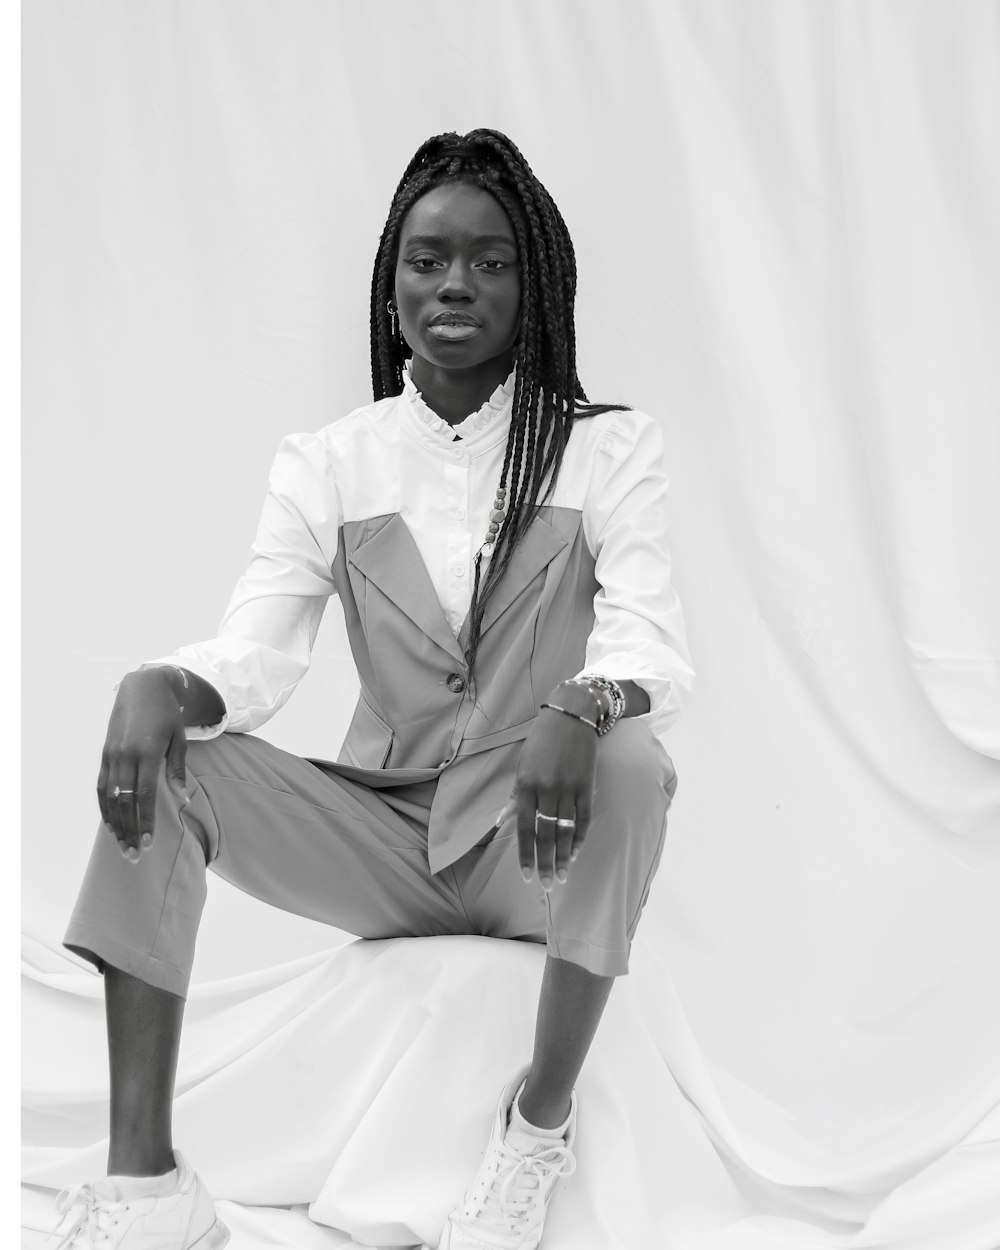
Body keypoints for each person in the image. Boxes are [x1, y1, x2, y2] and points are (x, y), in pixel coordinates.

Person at [54, 129, 695, 1250]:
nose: (456, 283)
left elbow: (652, 645)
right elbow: (259, 650)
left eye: (492, 261)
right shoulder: (330, 460)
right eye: (428, 256)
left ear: (535, 280)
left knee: (635, 757)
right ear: (390, 274)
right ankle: (148, 1190)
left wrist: (581, 706)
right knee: (166, 764)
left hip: (531, 847)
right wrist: (165, 681)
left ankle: (533, 1132)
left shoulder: (607, 451)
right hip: (386, 840)